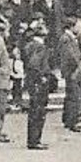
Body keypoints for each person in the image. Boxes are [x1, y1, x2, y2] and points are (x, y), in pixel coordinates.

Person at [21, 20, 55, 150]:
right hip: (38, 82)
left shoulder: (29, 45)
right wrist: (42, 77)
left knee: (34, 110)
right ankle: (35, 140)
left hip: (32, 81)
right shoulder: (39, 47)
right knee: (39, 111)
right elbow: (35, 64)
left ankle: (33, 140)